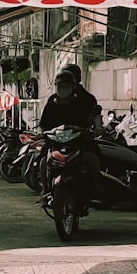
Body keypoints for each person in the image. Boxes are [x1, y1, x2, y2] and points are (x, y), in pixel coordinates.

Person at [38, 69, 102, 206]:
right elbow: (43, 125)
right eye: (60, 86)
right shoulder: (51, 103)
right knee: (44, 160)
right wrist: (43, 134)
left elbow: (95, 117)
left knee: (91, 157)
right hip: (56, 142)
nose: (63, 89)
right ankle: (45, 190)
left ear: (73, 86)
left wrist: (97, 128)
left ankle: (96, 190)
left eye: (66, 86)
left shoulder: (83, 102)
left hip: (79, 141)